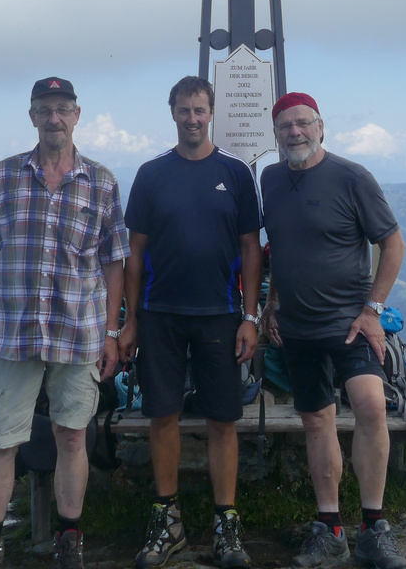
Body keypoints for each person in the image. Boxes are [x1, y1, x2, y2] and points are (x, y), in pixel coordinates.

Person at [0, 78, 127, 569]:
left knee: (73, 435)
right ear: (31, 116)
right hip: (14, 332)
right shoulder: (4, 176)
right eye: (44, 109)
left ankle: (69, 537)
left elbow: (114, 262)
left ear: (77, 115)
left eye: (62, 109)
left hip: (78, 332)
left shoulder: (101, 182)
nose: (54, 118)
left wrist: (112, 333)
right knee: (1, 439)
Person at [259, 92, 406, 569]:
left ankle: (374, 527)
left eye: (303, 123)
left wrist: (372, 310)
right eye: (286, 126)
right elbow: (280, 250)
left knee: (370, 404)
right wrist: (269, 305)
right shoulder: (271, 179)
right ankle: (331, 530)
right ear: (276, 134)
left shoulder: (352, 177)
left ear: (321, 127)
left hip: (351, 323)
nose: (295, 133)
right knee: (316, 420)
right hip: (298, 326)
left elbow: (393, 244)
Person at [119, 76, 262, 569]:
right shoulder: (151, 174)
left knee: (224, 420)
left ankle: (226, 524)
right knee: (162, 416)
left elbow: (250, 248)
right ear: (172, 113)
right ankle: (167, 519)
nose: (193, 119)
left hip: (222, 316)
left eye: (200, 110)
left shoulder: (236, 173)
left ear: (212, 111)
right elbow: (134, 251)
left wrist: (250, 316)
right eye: (184, 111)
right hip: (159, 315)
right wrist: (130, 321)